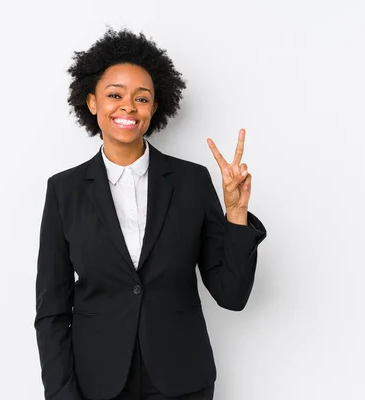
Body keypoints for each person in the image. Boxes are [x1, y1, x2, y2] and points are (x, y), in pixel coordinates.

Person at [34, 28, 267, 400]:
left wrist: (236, 215)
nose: (128, 106)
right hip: (96, 383)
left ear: (155, 107)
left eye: (141, 98)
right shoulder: (64, 191)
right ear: (92, 101)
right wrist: (62, 393)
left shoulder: (191, 182)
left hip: (182, 381)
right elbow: (51, 310)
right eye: (115, 95)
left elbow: (232, 294)